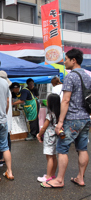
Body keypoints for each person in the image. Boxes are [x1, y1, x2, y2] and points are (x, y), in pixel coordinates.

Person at [42, 48, 91, 188]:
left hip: (72, 118)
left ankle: (59, 180)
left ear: (73, 60)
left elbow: (65, 100)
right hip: (85, 117)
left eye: (67, 59)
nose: (64, 62)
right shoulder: (88, 76)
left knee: (62, 149)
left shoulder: (70, 76)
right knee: (82, 149)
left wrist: (60, 122)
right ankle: (80, 178)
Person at [36, 93, 60, 183]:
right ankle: (52, 174)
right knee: (54, 156)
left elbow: (44, 127)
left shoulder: (50, 114)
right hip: (56, 137)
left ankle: (48, 176)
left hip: (49, 137)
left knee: (49, 157)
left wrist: (39, 134)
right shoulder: (59, 114)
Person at [0, 71, 12, 167]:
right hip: (6, 120)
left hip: (1, 119)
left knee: (0, 142)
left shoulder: (2, 90)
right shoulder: (8, 90)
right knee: (6, 141)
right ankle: (7, 164)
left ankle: (0, 160)